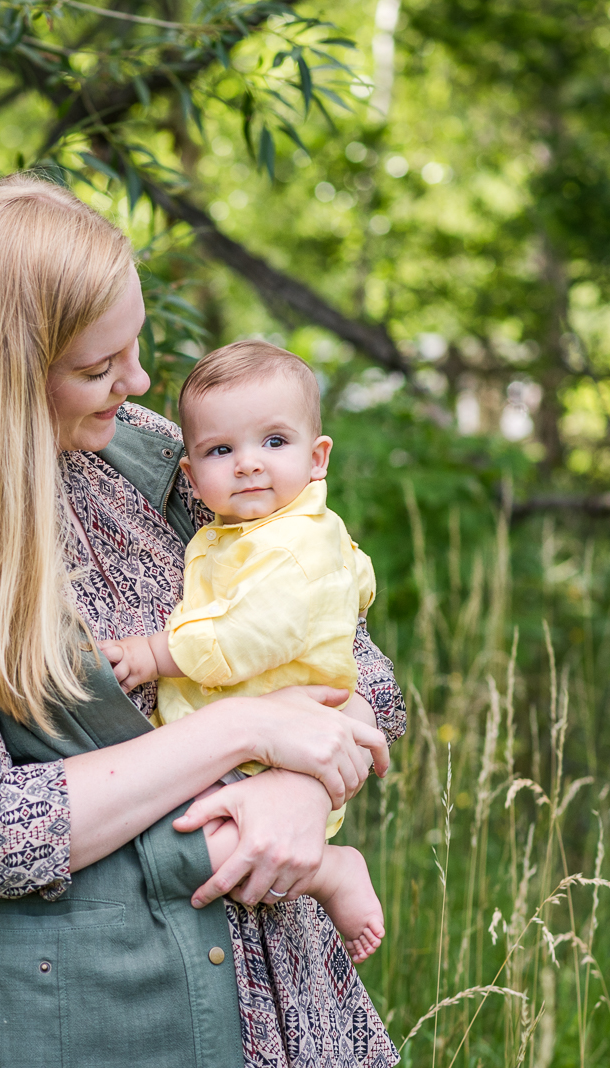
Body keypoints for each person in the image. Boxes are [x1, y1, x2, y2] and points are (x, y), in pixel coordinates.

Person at [0, 173, 407, 1068]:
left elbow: (358, 669)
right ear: (0, 376)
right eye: (97, 368)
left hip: (291, 991)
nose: (137, 382)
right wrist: (247, 729)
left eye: (134, 348)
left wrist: (303, 790)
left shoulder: (160, 455)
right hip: (101, 1011)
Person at [100, 339, 385, 963]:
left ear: (318, 458)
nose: (248, 464)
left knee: (204, 841)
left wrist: (153, 654)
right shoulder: (251, 530)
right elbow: (357, 579)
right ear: (191, 475)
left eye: (274, 443)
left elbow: (245, 636)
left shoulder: (292, 546)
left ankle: (331, 871)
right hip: (251, 737)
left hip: (278, 754)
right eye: (221, 451)